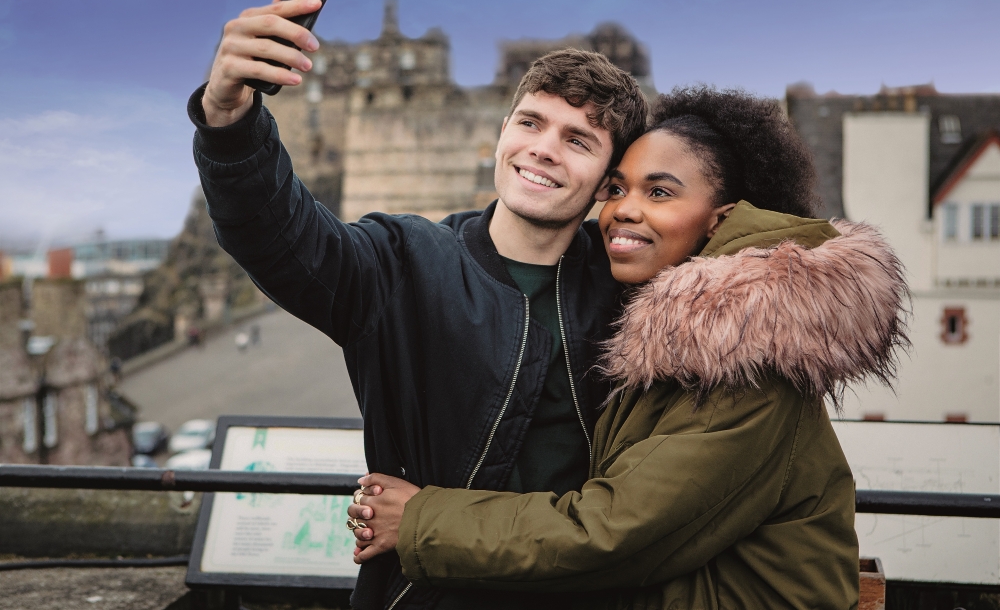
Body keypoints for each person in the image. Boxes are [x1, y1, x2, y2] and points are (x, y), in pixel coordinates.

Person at [348, 87, 909, 610]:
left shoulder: (749, 354)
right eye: (615, 189)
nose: (623, 210)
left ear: (721, 220)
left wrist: (420, 520)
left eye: (659, 192)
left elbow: (613, 532)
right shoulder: (679, 331)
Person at [189, 0, 648, 610]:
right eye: (530, 122)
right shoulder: (404, 259)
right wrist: (227, 113)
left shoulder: (635, 289)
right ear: (501, 133)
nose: (543, 148)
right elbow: (278, 236)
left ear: (606, 181)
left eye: (579, 140)